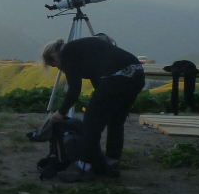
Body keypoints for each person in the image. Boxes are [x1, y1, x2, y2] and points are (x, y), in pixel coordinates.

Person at [43, 36, 145, 183]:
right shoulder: (82, 49)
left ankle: (85, 167)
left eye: (55, 65)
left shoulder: (67, 54)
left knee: (91, 124)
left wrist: (60, 113)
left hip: (116, 77)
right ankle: (111, 161)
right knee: (116, 119)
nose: (60, 69)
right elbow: (97, 77)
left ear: (54, 56)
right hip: (137, 73)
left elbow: (74, 90)